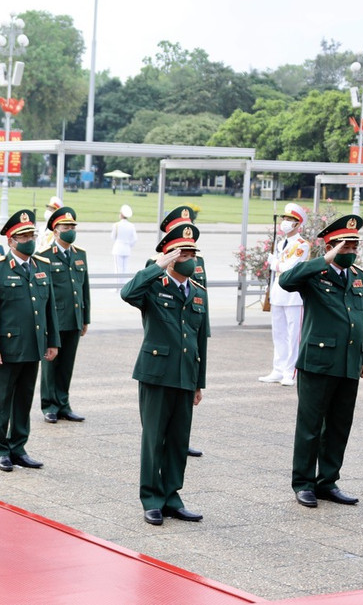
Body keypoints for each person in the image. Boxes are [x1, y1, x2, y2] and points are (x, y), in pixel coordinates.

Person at [279, 214, 363, 509]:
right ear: (330, 246)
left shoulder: (358, 275)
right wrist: (325, 259)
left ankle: (327, 482)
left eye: (353, 247)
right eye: (344, 247)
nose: (350, 252)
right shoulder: (314, 274)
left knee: (339, 424)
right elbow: (285, 280)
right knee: (310, 426)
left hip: (348, 361)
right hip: (318, 362)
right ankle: (304, 483)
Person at [121, 224, 208, 526]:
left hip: (185, 375)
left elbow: (200, 342)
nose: (191, 258)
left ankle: (172, 497)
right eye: (184, 253)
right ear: (170, 256)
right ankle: (151, 499)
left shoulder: (198, 293)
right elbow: (127, 293)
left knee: (177, 440)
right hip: (157, 374)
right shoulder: (155, 286)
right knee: (154, 438)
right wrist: (157, 266)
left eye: (193, 253)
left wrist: (199, 383)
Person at [0, 209, 58, 472]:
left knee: (23, 400)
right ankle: (0, 449)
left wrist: (53, 341)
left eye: (31, 235)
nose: (28, 240)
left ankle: (18, 447)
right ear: (10, 241)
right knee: (1, 401)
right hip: (6, 348)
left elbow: (50, 309)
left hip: (33, 346)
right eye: (22, 236)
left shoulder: (41, 266)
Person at [154, 205, 210, 457]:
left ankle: (180, 440)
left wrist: (202, 329)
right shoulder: (157, 265)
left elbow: (200, 295)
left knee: (184, 402)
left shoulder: (197, 261)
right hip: (164, 342)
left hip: (191, 333)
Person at [37, 207, 89, 423]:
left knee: (67, 363)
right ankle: (49, 405)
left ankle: (63, 403)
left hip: (74, 318)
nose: (70, 230)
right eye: (66, 227)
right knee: (51, 364)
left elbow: (84, 288)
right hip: (55, 319)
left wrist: (85, 318)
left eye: (73, 227)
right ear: (55, 231)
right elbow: (42, 293)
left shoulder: (80, 255)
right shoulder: (45, 256)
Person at [259, 204, 311, 387]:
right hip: (278, 294)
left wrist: (274, 263)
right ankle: (278, 369)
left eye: (289, 220)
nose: (285, 223)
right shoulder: (281, 244)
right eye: (284, 219)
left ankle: (290, 372)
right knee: (278, 334)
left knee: (293, 335)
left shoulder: (302, 245)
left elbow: (289, 268)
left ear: (298, 224)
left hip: (294, 296)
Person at [111, 204, 138, 280]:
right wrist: (129, 245)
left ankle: (117, 287)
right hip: (127, 248)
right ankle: (124, 285)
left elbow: (113, 237)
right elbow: (135, 239)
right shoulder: (131, 226)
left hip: (118, 248)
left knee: (118, 269)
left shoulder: (116, 225)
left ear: (122, 215)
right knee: (125, 269)